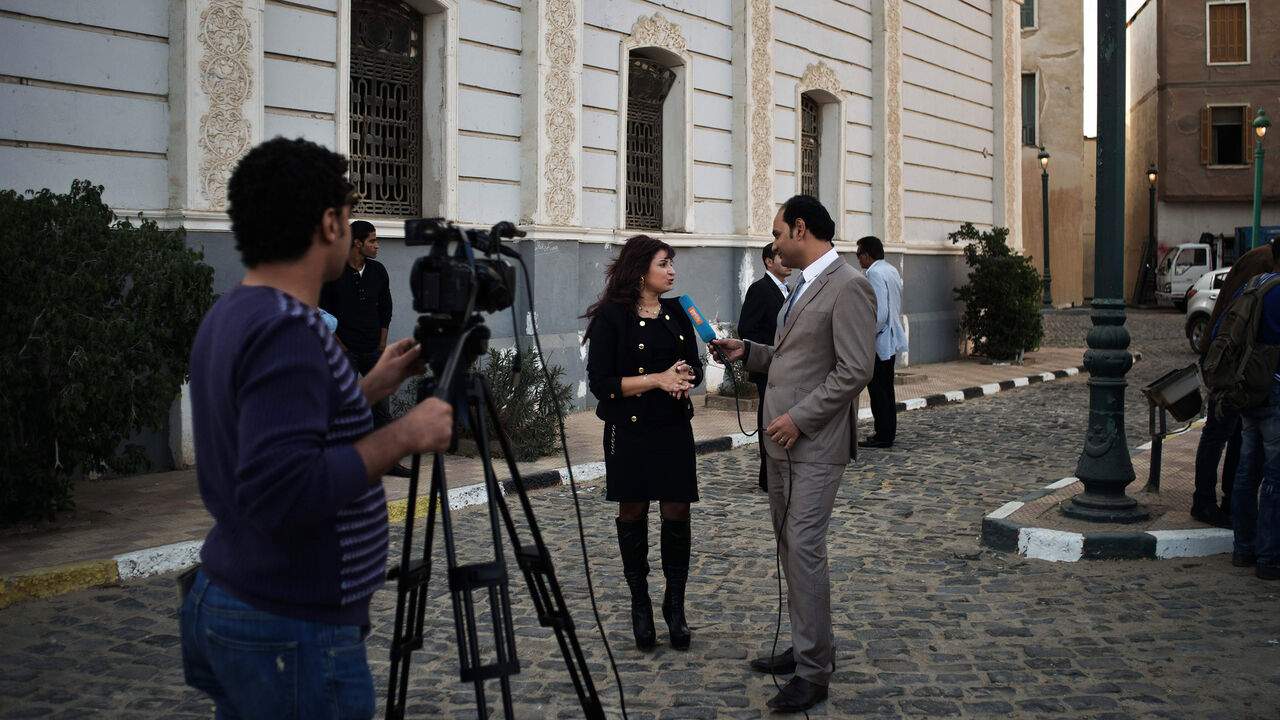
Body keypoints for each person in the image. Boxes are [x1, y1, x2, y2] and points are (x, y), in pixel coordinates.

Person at [180, 137, 453, 719]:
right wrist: (404, 434)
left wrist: (373, 386)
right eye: (350, 213)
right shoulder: (289, 332)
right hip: (290, 620)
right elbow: (285, 487)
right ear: (330, 223)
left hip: (249, 597)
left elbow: (288, 426)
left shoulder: (237, 310)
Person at [711, 195, 876, 712]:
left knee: (803, 548)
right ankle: (808, 646)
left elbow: (854, 370)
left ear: (801, 229)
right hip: (780, 444)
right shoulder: (802, 286)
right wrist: (750, 352)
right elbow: (797, 357)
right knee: (790, 548)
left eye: (780, 233)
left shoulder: (850, 286)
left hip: (815, 444)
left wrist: (800, 418)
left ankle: (813, 673)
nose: (776, 243)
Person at [583, 235, 704, 651]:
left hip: (672, 425)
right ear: (640, 270)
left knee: (676, 509)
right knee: (632, 510)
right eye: (663, 263)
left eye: (671, 263)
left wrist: (685, 376)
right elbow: (600, 384)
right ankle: (640, 604)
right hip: (629, 429)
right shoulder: (611, 317)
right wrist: (658, 379)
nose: (671, 271)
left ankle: (675, 605)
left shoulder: (677, 311)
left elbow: (697, 371)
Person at [1192, 240, 1280, 529]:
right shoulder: (1263, 265)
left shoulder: (1261, 259)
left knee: (1238, 436)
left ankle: (1230, 503)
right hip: (1231, 364)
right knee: (1221, 431)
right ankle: (1205, 501)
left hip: (1233, 362)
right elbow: (1238, 320)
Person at [320, 220, 412, 477]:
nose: (376, 245)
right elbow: (321, 313)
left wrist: (382, 342)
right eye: (371, 240)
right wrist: (340, 345)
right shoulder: (333, 272)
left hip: (374, 349)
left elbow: (386, 308)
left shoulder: (378, 271)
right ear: (357, 243)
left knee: (381, 409)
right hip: (345, 351)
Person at [1215, 240, 1280, 580]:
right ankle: (1269, 557)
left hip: (1247, 392)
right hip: (1274, 392)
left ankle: (1244, 548)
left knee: (1246, 471)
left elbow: (1219, 331)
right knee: (1275, 476)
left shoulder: (1252, 286)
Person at [737, 241, 791, 490]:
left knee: (781, 419)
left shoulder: (787, 289)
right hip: (767, 365)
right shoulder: (760, 289)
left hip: (786, 367)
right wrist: (766, 351)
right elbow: (746, 328)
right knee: (768, 419)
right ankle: (767, 477)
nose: (787, 261)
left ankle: (782, 473)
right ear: (769, 261)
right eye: (781, 257)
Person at [855, 235, 908, 449]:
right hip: (892, 335)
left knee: (878, 389)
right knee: (886, 388)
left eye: (859, 255)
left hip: (880, 340)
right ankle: (886, 431)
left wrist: (868, 335)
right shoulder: (890, 269)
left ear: (867, 255)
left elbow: (880, 312)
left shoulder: (874, 273)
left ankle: (883, 434)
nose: (858, 260)